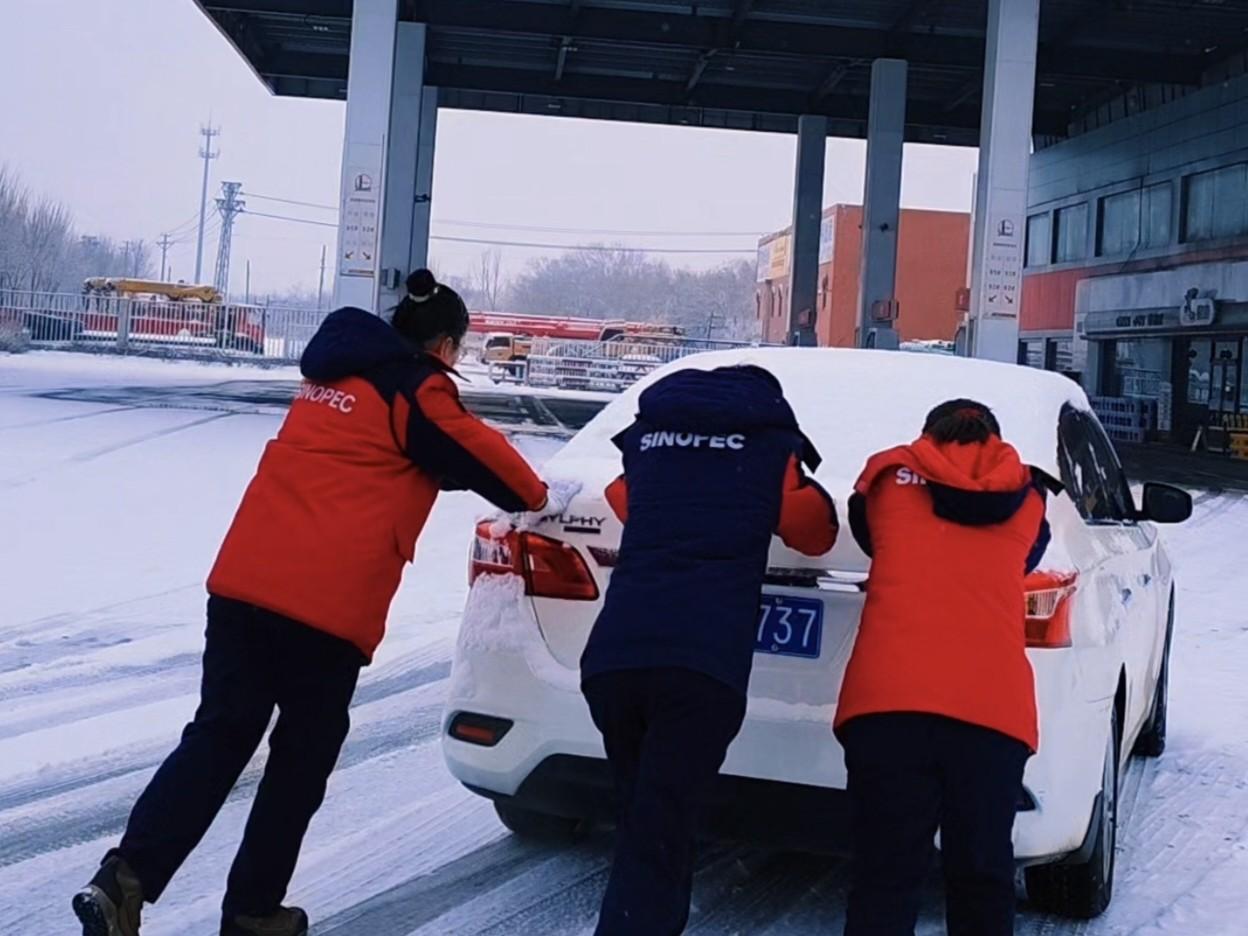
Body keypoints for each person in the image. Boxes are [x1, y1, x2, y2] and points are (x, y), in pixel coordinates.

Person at [73, 271, 559, 936]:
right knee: (300, 761)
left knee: (218, 736)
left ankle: (123, 880)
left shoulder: (332, 378)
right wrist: (543, 497)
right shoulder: (419, 387)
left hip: (243, 586)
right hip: (321, 610)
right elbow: (504, 474)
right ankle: (252, 911)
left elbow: (373, 457)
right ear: (445, 346)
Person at [581, 364, 840, 936]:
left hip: (614, 659)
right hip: (699, 667)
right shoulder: (769, 446)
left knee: (644, 822)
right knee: (660, 833)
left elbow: (621, 498)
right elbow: (814, 533)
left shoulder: (651, 437)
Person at [835, 399, 1051, 936]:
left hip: (888, 705)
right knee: (982, 876)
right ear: (995, 441)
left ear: (928, 435)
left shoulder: (885, 481)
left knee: (885, 876)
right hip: (991, 713)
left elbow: (871, 539)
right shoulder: (1029, 497)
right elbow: (1024, 557)